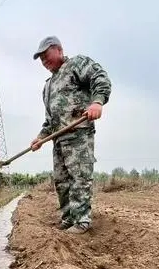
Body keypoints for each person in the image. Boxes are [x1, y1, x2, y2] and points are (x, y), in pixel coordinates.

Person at [30, 36, 112, 234]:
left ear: (58, 49)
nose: (44, 61)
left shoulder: (77, 64)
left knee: (80, 178)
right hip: (58, 139)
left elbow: (100, 78)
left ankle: (82, 221)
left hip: (78, 134)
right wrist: (41, 137)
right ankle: (68, 218)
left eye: (46, 55)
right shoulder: (48, 86)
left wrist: (97, 102)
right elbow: (50, 119)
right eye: (40, 59)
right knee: (61, 181)